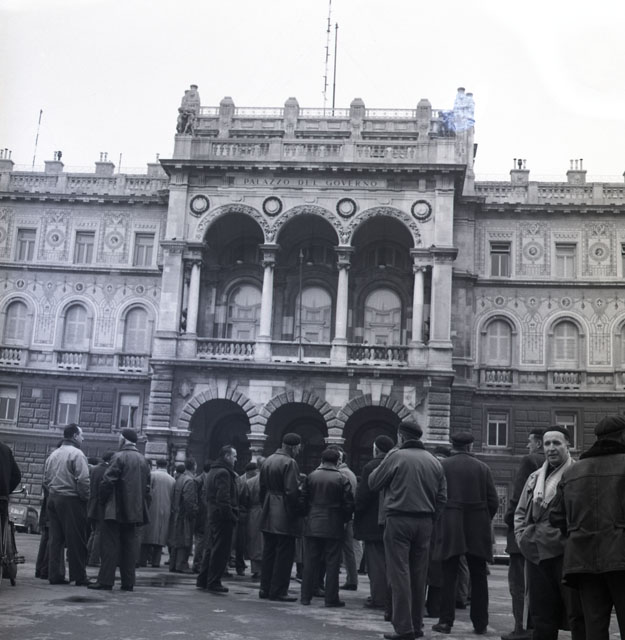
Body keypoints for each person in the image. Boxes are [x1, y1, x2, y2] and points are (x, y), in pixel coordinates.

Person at [369, 420, 447, 640]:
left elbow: (373, 482)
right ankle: (417, 624)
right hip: (425, 521)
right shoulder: (434, 461)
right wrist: (431, 518)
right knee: (419, 574)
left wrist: (388, 457)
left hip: (399, 519)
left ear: (401, 436)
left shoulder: (396, 456)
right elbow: (442, 498)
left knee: (399, 573)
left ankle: (404, 628)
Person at [550, 415, 625, 640]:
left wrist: (578, 531)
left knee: (594, 626)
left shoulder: (573, 471)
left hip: (583, 560)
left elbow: (556, 516)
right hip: (621, 557)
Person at [514, 426, 585, 640]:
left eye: (556, 443)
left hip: (567, 555)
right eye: (547, 444)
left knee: (577, 615)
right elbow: (520, 512)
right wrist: (522, 537)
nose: (551, 448)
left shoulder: (579, 474)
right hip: (536, 553)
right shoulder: (535, 477)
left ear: (568, 445)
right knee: (541, 617)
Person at [432, 431, 499, 636]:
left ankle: (445, 621)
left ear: (453, 445)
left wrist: (441, 519)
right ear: (470, 446)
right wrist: (482, 518)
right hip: (477, 525)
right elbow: (493, 501)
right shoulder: (483, 468)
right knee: (478, 576)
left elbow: (436, 496)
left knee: (448, 574)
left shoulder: (442, 466)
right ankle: (480, 623)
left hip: (450, 523)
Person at [88, 428, 151, 591]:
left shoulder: (118, 457)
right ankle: (128, 582)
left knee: (109, 545)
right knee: (129, 547)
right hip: (135, 510)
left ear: (123, 439)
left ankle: (106, 581)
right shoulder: (143, 460)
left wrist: (102, 501)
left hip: (115, 509)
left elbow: (107, 481)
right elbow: (147, 488)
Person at [501, 429, 545, 640]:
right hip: (544, 535)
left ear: (538, 443)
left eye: (530, 442)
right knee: (539, 585)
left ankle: (521, 628)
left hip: (523, 533)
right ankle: (539, 628)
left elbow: (519, 495)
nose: (528, 446)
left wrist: (509, 519)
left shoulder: (529, 461)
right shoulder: (558, 462)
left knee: (518, 585)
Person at [300, 447, 354, 608]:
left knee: (310, 561)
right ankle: (331, 598)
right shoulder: (342, 478)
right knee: (332, 563)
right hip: (334, 523)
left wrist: (307, 515)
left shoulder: (311, 476)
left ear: (322, 460)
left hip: (313, 522)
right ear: (337, 461)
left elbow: (302, 499)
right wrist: (344, 519)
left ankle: (305, 597)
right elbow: (348, 504)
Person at [43, 423, 90, 586]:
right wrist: (85, 498)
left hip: (53, 498)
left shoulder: (53, 454)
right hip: (71, 499)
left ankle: (55, 575)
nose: (83, 438)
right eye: (81, 435)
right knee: (76, 539)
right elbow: (83, 479)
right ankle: (79, 576)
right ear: (75, 436)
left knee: (55, 539)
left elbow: (46, 479)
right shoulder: (77, 454)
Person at [259, 432, 302, 602]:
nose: (299, 450)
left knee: (269, 552)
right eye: (298, 447)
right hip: (283, 512)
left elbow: (262, 488)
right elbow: (291, 491)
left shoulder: (268, 460)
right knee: (284, 554)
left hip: (268, 508)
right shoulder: (290, 462)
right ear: (293, 447)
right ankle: (278, 591)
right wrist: (296, 511)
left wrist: (265, 506)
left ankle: (265, 588)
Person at [354, 434, 395, 610]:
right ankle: (391, 597)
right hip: (393, 520)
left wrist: (356, 512)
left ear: (376, 449)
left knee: (376, 562)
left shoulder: (371, 466)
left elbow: (363, 495)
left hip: (373, 522)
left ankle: (378, 598)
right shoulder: (396, 463)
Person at [200, 445, 239, 593]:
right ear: (227, 456)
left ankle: (203, 579)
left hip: (213, 514)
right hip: (222, 517)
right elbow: (223, 498)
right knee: (220, 550)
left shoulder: (213, 470)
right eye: (234, 456)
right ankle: (214, 581)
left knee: (211, 547)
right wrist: (230, 516)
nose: (236, 459)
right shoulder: (224, 472)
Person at [141, 458, 175, 568]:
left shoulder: (151, 475)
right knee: (160, 538)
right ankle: (155, 562)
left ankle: (142, 560)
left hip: (150, 508)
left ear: (157, 464)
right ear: (166, 465)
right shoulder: (172, 480)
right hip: (165, 510)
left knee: (146, 537)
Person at [169, 458, 198, 573]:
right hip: (185, 515)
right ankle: (181, 565)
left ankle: (174, 564)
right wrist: (193, 512)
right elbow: (188, 500)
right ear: (194, 466)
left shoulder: (179, 478)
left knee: (176, 540)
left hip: (177, 512)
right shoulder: (190, 480)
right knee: (185, 540)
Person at [87, 450, 115, 567]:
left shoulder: (95, 469)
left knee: (94, 532)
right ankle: (93, 559)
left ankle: (87, 556)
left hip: (92, 503)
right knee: (99, 533)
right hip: (101, 505)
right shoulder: (108, 471)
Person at [245, 457, 265, 579]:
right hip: (267, 511)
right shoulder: (270, 480)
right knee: (264, 540)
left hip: (253, 512)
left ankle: (256, 569)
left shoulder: (250, 482)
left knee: (254, 540)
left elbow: (245, 499)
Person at [0, 439, 21, 551]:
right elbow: (17, 475)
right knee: (3, 529)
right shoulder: (6, 449)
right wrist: (6, 490)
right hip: (2, 497)